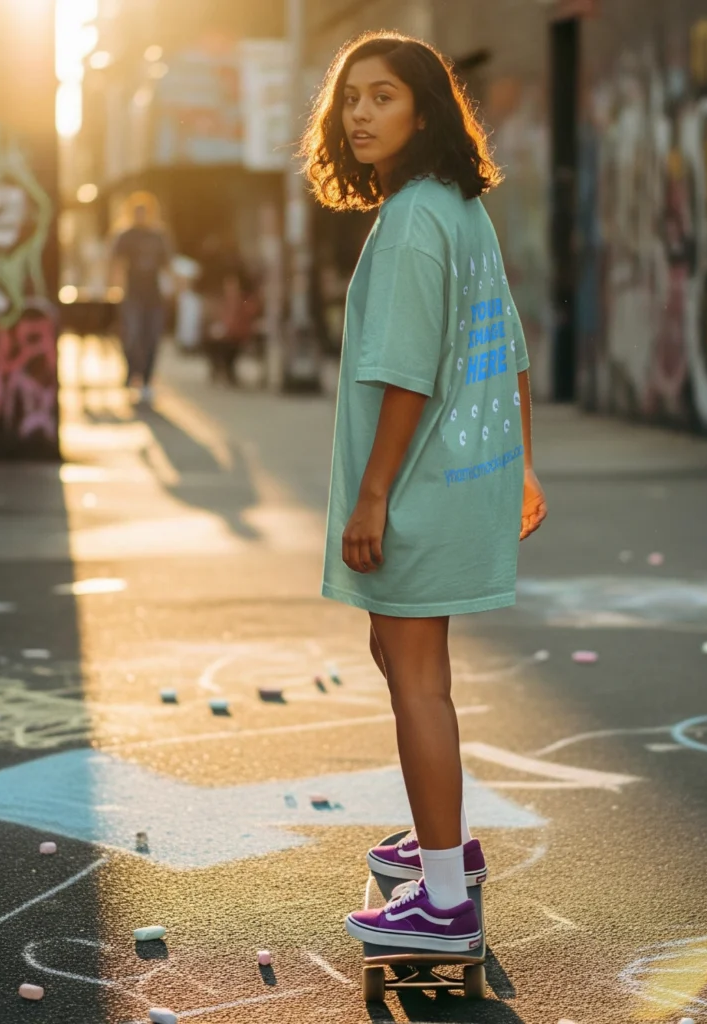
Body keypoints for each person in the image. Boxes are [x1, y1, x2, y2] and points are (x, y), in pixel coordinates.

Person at [300, 32, 548, 953]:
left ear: (425, 110)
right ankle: (444, 848)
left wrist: (372, 500)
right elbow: (509, 343)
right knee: (407, 660)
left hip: (420, 480)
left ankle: (444, 897)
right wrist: (523, 461)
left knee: (416, 682)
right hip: (466, 475)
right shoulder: (455, 206)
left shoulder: (411, 223)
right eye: (350, 98)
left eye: (383, 98)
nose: (360, 115)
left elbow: (405, 375)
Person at [110, 197, 172, 403]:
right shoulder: (125, 236)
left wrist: (172, 288)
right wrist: (115, 288)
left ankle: (146, 381)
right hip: (132, 295)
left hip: (153, 296)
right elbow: (116, 263)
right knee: (133, 336)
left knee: (152, 338)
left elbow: (167, 265)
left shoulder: (158, 236)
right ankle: (132, 372)